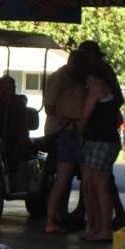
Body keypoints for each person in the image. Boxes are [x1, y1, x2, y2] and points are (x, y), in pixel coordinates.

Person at [76, 40, 125, 230]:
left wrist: (80, 133)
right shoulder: (102, 77)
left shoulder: (99, 80)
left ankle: (101, 226)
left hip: (100, 137)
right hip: (102, 137)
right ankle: (95, 223)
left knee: (99, 184)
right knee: (94, 183)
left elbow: (85, 114)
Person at [42, 49, 88, 234]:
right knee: (63, 178)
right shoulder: (58, 80)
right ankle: (55, 217)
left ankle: (61, 216)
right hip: (61, 133)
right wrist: (68, 122)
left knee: (66, 178)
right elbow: (50, 108)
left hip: (68, 132)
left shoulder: (73, 83)